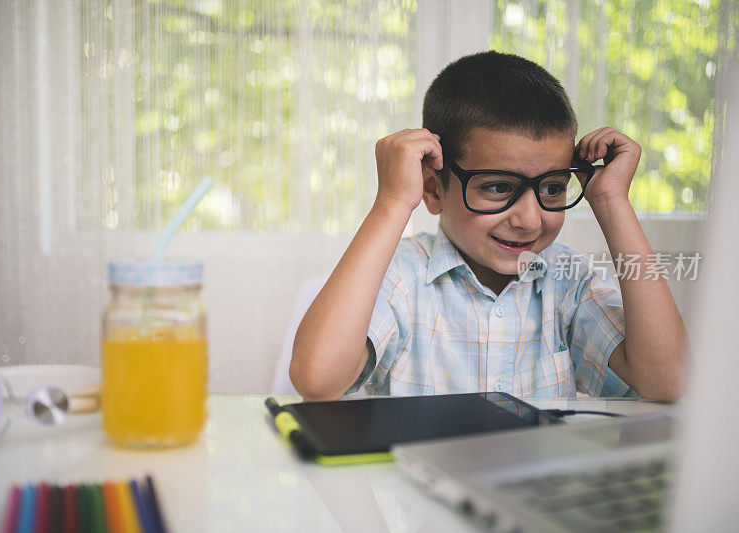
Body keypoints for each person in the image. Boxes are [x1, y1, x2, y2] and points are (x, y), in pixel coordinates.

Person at [289, 51, 686, 402]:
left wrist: (612, 201)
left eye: (551, 188)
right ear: (432, 188)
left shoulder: (569, 282)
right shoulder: (402, 276)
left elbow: (669, 381)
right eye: (498, 187)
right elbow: (317, 379)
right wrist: (392, 203)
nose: (529, 220)